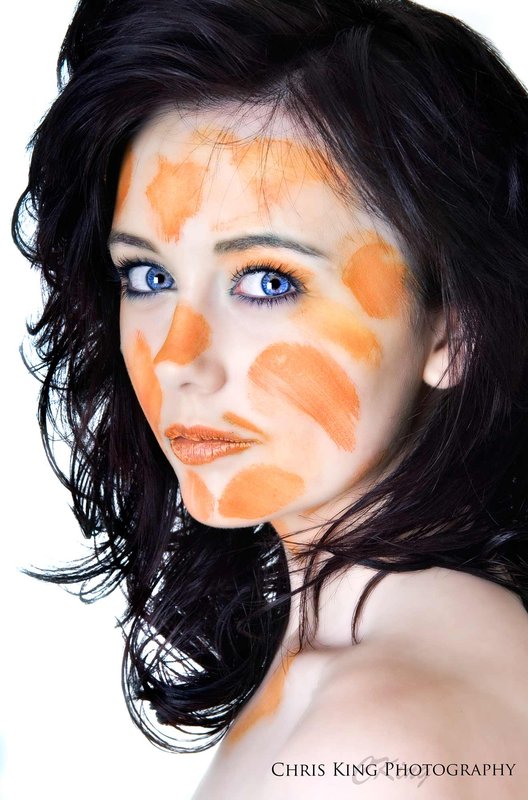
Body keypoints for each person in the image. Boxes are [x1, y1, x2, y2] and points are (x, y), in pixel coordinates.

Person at [13, 0, 528, 797]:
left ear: (454, 327)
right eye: (147, 275)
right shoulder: (387, 652)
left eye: (267, 281)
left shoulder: (381, 735)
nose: (178, 359)